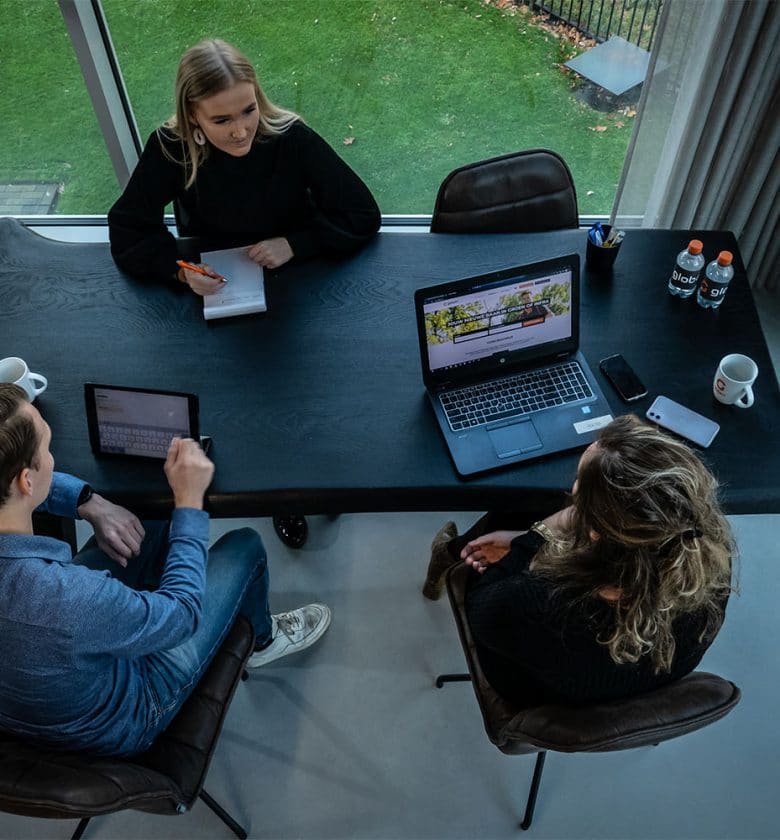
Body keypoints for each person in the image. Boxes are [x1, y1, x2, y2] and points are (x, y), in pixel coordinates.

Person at [0, 384, 330, 756]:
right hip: (121, 718)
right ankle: (263, 643)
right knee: (245, 546)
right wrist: (189, 501)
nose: (53, 458)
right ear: (26, 480)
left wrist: (87, 502)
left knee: (145, 523)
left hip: (25, 701)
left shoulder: (63, 591)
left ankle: (139, 611)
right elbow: (182, 615)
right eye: (47, 448)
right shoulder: (72, 597)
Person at [423, 415, 734, 706]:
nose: (572, 490)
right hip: (635, 681)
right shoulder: (707, 552)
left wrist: (529, 539)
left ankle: (447, 555)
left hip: (543, 696)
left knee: (506, 515)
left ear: (595, 531)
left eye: (577, 488)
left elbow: (481, 607)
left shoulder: (530, 604)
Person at [108, 38, 381, 291]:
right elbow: (128, 229)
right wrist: (181, 272)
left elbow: (362, 214)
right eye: (221, 120)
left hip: (300, 277)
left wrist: (295, 245)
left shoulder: (291, 137)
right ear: (192, 115)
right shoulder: (171, 147)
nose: (240, 132)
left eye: (249, 110)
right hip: (216, 279)